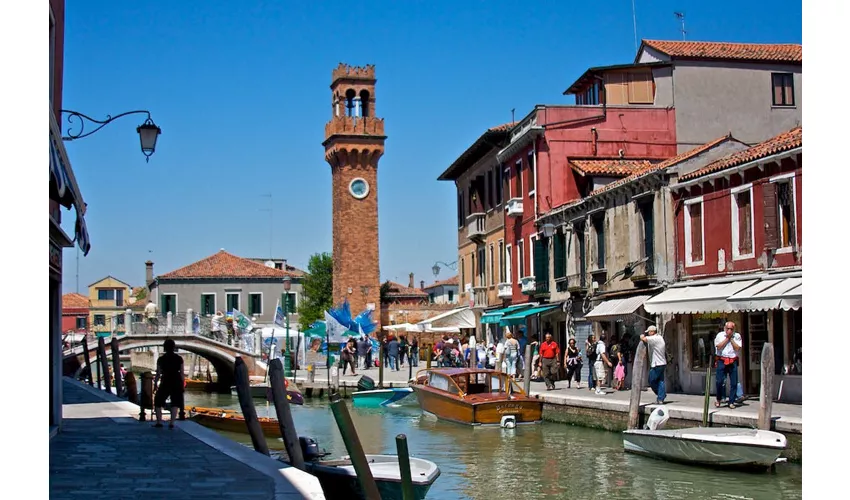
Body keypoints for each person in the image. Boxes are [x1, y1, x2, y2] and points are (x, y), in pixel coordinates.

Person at [153, 339, 184, 429]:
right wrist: (182, 384)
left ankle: (159, 421)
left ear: (165, 348)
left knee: (158, 401)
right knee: (175, 402)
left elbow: (158, 373)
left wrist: (155, 384)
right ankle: (172, 423)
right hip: (176, 380)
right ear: (174, 347)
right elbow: (181, 373)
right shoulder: (179, 358)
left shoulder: (161, 359)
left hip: (166, 380)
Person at [715, 321, 743, 409]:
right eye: (728, 329)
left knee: (734, 383)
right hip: (722, 360)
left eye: (731, 329)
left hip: (732, 360)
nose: (729, 330)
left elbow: (738, 347)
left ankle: (731, 401)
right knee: (719, 381)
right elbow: (718, 346)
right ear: (725, 328)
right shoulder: (720, 335)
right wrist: (727, 338)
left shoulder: (737, 336)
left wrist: (731, 339)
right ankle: (719, 399)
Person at [641, 325, 667, 403]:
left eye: (648, 332)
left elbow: (644, 339)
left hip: (657, 364)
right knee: (660, 381)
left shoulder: (654, 338)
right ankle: (660, 398)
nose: (648, 334)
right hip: (662, 363)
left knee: (651, 380)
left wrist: (642, 336)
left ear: (652, 332)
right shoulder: (660, 337)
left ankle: (661, 394)